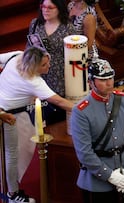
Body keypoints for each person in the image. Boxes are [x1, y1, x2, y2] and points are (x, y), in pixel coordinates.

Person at [0, 46, 74, 203]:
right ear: (33, 66)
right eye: (44, 65)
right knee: (12, 155)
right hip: (8, 117)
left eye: (48, 62)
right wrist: (84, 109)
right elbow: (59, 101)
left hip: (8, 108)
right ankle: (13, 194)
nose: (49, 66)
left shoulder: (16, 56)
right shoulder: (34, 81)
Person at [70, 58, 124, 203]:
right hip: (97, 185)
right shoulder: (81, 111)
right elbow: (85, 153)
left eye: (110, 78)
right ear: (91, 82)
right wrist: (110, 176)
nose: (109, 83)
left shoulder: (122, 100)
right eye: (102, 79)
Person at [27, 0, 76, 124]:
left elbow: (75, 54)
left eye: (50, 7)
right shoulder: (35, 24)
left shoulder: (68, 27)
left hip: (60, 77)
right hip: (40, 74)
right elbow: (28, 48)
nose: (45, 10)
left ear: (59, 8)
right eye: (43, 6)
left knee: (59, 115)